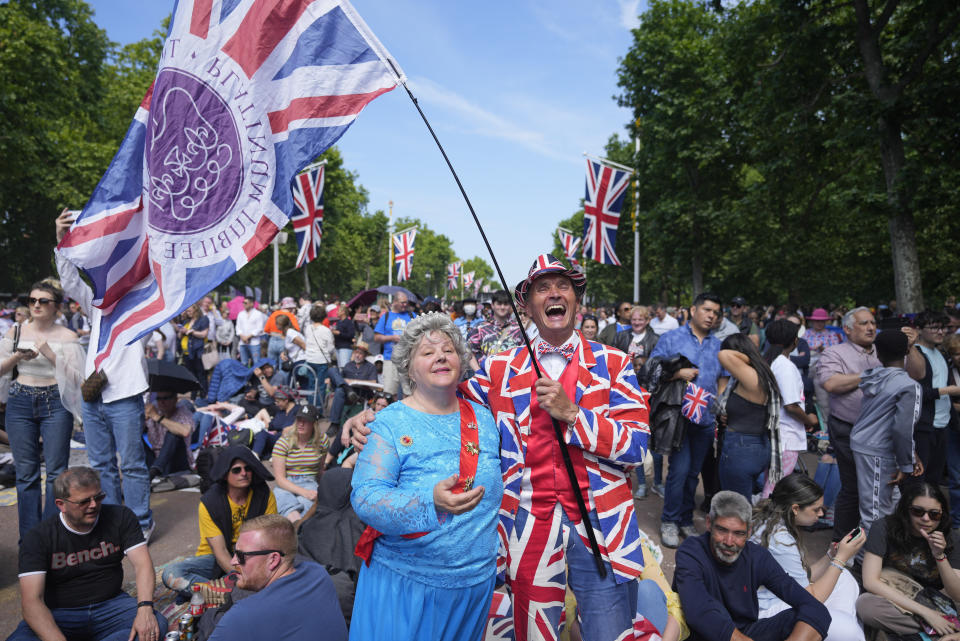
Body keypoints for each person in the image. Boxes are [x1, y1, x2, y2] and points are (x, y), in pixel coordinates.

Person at [351, 254, 651, 641]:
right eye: (542, 288)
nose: (554, 294)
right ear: (526, 306)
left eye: (563, 287)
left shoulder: (615, 363)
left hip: (603, 526)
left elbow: (638, 448)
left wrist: (574, 415)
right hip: (528, 527)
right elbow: (435, 396)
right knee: (534, 634)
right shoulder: (499, 368)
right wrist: (370, 419)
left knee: (611, 633)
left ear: (578, 301)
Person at [350, 312, 503, 641]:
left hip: (474, 587)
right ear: (408, 368)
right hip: (406, 587)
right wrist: (428, 501)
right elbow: (365, 497)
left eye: (448, 350)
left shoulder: (486, 417)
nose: (440, 357)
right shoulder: (388, 423)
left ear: (461, 361)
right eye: (427, 352)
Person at [56, 209, 156, 540]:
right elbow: (70, 280)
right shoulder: (95, 305)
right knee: (101, 466)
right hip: (93, 395)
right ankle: (113, 522)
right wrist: (62, 238)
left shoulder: (143, 308)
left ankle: (140, 522)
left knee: (131, 464)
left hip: (125, 393)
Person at [9, 467, 166, 641]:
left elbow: (142, 564)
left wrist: (145, 609)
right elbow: (31, 601)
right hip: (60, 613)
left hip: (111, 606)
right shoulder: (39, 537)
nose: (93, 505)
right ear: (61, 504)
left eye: (98, 497)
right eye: (84, 502)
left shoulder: (120, 517)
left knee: (155, 625)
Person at [673, 491, 831, 641]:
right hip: (704, 636)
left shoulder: (757, 557)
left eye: (738, 533)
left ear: (748, 532)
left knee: (809, 615)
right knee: (713, 610)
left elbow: (813, 606)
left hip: (746, 632)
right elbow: (699, 612)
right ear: (709, 523)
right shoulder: (691, 552)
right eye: (722, 530)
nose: (729, 542)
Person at [0, 281, 84, 541]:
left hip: (55, 403)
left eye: (43, 301)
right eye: (32, 300)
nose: (36, 305)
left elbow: (79, 379)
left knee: (56, 473)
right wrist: (17, 357)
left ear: (56, 307)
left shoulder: (67, 336)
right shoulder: (15, 331)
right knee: (26, 474)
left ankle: (51, 535)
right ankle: (30, 539)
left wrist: (50, 354)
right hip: (20, 401)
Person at [650, 292, 727, 548]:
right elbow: (652, 369)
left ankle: (684, 519)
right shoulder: (672, 338)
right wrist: (677, 373)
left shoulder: (718, 345)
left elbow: (724, 376)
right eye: (707, 310)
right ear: (693, 310)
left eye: (715, 313)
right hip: (678, 418)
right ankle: (669, 521)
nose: (711, 316)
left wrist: (720, 399)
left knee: (694, 474)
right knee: (679, 472)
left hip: (705, 419)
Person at [752, 475, 866, 641]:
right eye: (816, 509)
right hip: (767, 612)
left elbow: (803, 577)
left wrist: (831, 556)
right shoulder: (779, 539)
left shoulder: (773, 521)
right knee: (850, 630)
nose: (821, 513)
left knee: (844, 578)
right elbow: (809, 598)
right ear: (796, 508)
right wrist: (840, 559)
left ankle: (832, 628)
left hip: (780, 597)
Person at [206, 514, 347, 641]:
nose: (233, 561)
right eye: (234, 553)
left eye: (241, 555)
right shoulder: (319, 575)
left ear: (273, 560)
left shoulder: (243, 615)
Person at [162, 445, 277, 599]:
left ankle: (214, 594)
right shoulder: (210, 503)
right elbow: (221, 553)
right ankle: (227, 594)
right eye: (236, 470)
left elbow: (269, 540)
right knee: (171, 573)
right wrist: (244, 578)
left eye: (247, 468)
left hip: (252, 555)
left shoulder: (264, 495)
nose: (243, 473)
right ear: (224, 475)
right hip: (216, 559)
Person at [856, 482, 960, 640]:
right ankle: (944, 632)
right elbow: (870, 582)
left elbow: (956, 593)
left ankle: (926, 634)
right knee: (866, 606)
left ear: (942, 515)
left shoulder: (950, 537)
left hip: (936, 601)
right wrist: (927, 614)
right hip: (896, 598)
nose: (926, 519)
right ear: (906, 510)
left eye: (934, 514)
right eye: (918, 511)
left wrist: (940, 555)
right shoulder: (884, 528)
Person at [815, 306, 880, 543]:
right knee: (854, 487)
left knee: (879, 488)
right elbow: (831, 383)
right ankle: (841, 543)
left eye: (872, 322)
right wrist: (872, 375)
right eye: (863, 323)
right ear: (847, 329)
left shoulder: (884, 351)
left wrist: (910, 348)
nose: (871, 327)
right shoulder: (835, 352)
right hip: (848, 428)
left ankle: (874, 542)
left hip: (882, 431)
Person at [850, 329, 923, 533]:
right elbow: (903, 429)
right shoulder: (909, 386)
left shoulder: (873, 376)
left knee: (888, 505)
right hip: (880, 450)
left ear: (878, 353)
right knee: (874, 512)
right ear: (907, 352)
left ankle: (883, 554)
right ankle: (865, 561)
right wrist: (906, 463)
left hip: (866, 446)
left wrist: (909, 455)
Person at [715, 333, 782, 502]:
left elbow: (724, 355)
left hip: (741, 447)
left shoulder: (752, 375)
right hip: (756, 445)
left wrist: (749, 356)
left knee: (735, 505)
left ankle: (744, 530)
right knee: (742, 502)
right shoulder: (758, 374)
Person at [764, 320, 819, 496]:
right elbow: (791, 406)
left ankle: (763, 522)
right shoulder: (785, 366)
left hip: (776, 435)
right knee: (775, 489)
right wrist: (808, 420)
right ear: (795, 341)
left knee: (771, 484)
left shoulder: (770, 361)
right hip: (785, 437)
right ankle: (763, 523)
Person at [906, 310, 960, 486]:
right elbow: (915, 392)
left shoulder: (942, 354)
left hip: (943, 427)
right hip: (923, 428)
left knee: (934, 481)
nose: (941, 332)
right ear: (919, 329)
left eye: (943, 328)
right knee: (917, 481)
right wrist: (948, 391)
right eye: (934, 328)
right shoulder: (916, 354)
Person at [272, 404, 328, 522]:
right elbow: (280, 479)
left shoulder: (322, 440)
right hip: (286, 483)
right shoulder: (283, 442)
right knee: (285, 502)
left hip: (310, 481)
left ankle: (297, 531)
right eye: (299, 420)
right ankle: (298, 530)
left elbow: (320, 469)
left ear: (314, 423)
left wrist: (320, 489)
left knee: (307, 506)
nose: (301, 424)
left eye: (306, 421)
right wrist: (304, 492)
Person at [326, 340, 378, 437]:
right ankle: (347, 389)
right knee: (332, 370)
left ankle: (334, 424)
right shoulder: (348, 365)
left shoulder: (370, 367)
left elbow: (374, 383)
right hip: (347, 394)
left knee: (340, 390)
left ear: (365, 355)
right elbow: (339, 379)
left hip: (360, 394)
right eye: (356, 352)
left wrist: (353, 382)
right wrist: (344, 383)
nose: (357, 355)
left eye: (361, 353)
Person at [466, 289, 524, 367]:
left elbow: (525, 354)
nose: (502, 307)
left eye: (506, 304)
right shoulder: (479, 329)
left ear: (510, 306)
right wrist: (479, 372)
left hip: (512, 375)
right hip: (487, 375)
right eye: (499, 304)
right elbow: (470, 353)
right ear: (492, 305)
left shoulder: (519, 329)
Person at [373, 292, 415, 399]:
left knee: (410, 392)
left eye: (406, 302)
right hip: (390, 360)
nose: (405, 305)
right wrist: (392, 338)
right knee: (390, 393)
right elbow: (376, 337)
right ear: (395, 302)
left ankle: (407, 414)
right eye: (402, 302)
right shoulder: (386, 316)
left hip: (408, 360)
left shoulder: (412, 315)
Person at [143, 391, 194, 478]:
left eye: (166, 398)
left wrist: (157, 418)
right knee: (135, 439)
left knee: (173, 434)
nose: (162, 402)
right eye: (159, 399)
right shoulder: (153, 411)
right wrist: (142, 420)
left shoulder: (183, 412)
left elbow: (185, 432)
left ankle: (155, 470)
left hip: (176, 460)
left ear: (175, 400)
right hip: (155, 458)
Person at [250, 385, 299, 460]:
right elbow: (271, 426)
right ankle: (254, 457)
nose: (276, 404)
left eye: (278, 402)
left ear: (286, 400)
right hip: (277, 439)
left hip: (291, 440)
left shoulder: (298, 410)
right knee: (261, 433)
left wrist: (293, 427)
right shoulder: (280, 412)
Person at [301, 303, 335, 409]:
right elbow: (330, 348)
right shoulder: (326, 330)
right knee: (321, 386)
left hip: (310, 359)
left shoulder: (308, 328)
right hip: (321, 361)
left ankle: (311, 407)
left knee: (311, 385)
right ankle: (318, 409)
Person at [178, 303, 210, 398]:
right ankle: (194, 393)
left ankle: (203, 393)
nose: (188, 313)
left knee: (200, 373)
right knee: (192, 374)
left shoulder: (203, 319)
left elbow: (204, 334)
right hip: (187, 352)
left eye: (189, 311)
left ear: (196, 310)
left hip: (198, 351)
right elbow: (179, 336)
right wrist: (181, 331)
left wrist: (192, 332)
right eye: (187, 311)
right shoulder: (187, 321)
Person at [614, 304, 659, 371]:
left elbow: (657, 363)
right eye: (634, 319)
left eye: (640, 320)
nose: (637, 323)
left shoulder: (655, 339)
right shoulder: (620, 336)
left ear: (647, 321)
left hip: (645, 378)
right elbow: (613, 357)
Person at [235, 296, 267, 367]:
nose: (244, 304)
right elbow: (238, 327)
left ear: (252, 304)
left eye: (246, 303)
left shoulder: (258, 314)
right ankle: (245, 377)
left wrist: (248, 337)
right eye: (243, 302)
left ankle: (256, 378)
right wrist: (242, 337)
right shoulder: (241, 314)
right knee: (244, 363)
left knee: (256, 363)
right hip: (242, 342)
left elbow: (259, 328)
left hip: (254, 343)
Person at [330, 302, 356, 368]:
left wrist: (339, 333)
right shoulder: (338, 322)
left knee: (344, 367)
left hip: (345, 347)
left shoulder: (348, 322)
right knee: (340, 367)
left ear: (343, 312)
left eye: (338, 311)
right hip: (338, 347)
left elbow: (351, 335)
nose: (337, 313)